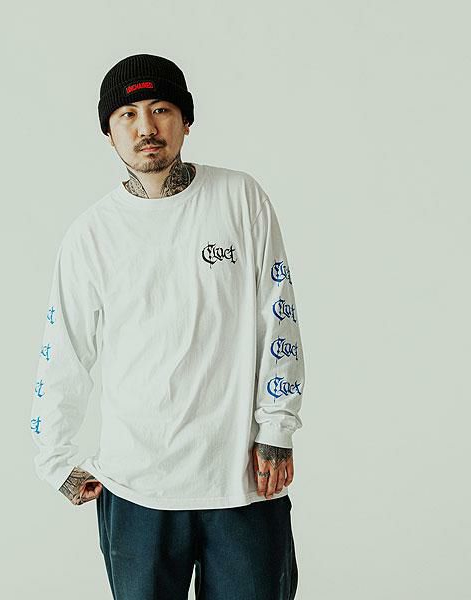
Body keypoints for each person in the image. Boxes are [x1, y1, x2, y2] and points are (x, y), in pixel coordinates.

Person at [30, 53, 306, 600]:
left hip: (241, 480)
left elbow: (280, 317)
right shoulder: (91, 235)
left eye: (160, 109)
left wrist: (276, 429)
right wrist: (54, 459)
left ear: (186, 119)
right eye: (128, 115)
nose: (146, 128)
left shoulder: (240, 198)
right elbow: (64, 349)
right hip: (137, 488)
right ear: (109, 132)